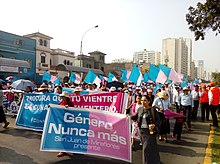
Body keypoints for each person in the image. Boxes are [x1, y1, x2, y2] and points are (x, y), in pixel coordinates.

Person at [130, 95, 160, 164]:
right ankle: (153, 161)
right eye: (142, 100)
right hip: (141, 131)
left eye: (145, 100)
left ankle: (147, 162)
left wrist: (154, 125)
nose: (143, 102)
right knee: (147, 148)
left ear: (149, 101)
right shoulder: (140, 109)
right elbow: (135, 117)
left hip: (150, 132)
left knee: (146, 148)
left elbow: (158, 121)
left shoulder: (153, 110)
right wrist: (127, 117)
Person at [57, 91, 74, 157]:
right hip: (62, 121)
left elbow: (74, 111)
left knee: (68, 135)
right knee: (62, 135)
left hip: (68, 122)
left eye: (63, 97)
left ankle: (67, 149)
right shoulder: (60, 103)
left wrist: (69, 108)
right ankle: (62, 150)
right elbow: (56, 108)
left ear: (66, 97)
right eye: (62, 97)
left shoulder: (71, 103)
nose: (62, 98)